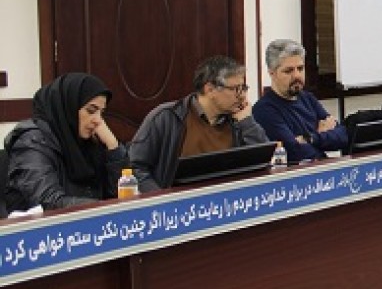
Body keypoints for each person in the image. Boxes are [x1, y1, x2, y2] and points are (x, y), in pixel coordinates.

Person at [4, 73, 158, 210]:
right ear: (69, 106)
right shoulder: (31, 143)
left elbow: (118, 194)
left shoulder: (88, 140)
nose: (98, 120)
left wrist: (113, 147)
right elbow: (48, 202)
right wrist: (104, 208)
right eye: (91, 110)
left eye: (101, 113)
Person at [130, 56, 270, 187]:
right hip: (178, 201)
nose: (242, 96)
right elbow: (135, 168)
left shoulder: (239, 120)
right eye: (236, 89)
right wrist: (162, 199)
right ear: (210, 89)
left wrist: (247, 122)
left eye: (243, 88)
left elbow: (265, 162)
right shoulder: (166, 117)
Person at [252, 39, 348, 165]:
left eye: (300, 68)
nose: (297, 75)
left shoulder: (308, 98)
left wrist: (312, 138)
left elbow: (343, 137)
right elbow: (297, 153)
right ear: (272, 73)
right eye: (289, 71)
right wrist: (322, 135)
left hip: (324, 167)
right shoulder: (264, 110)